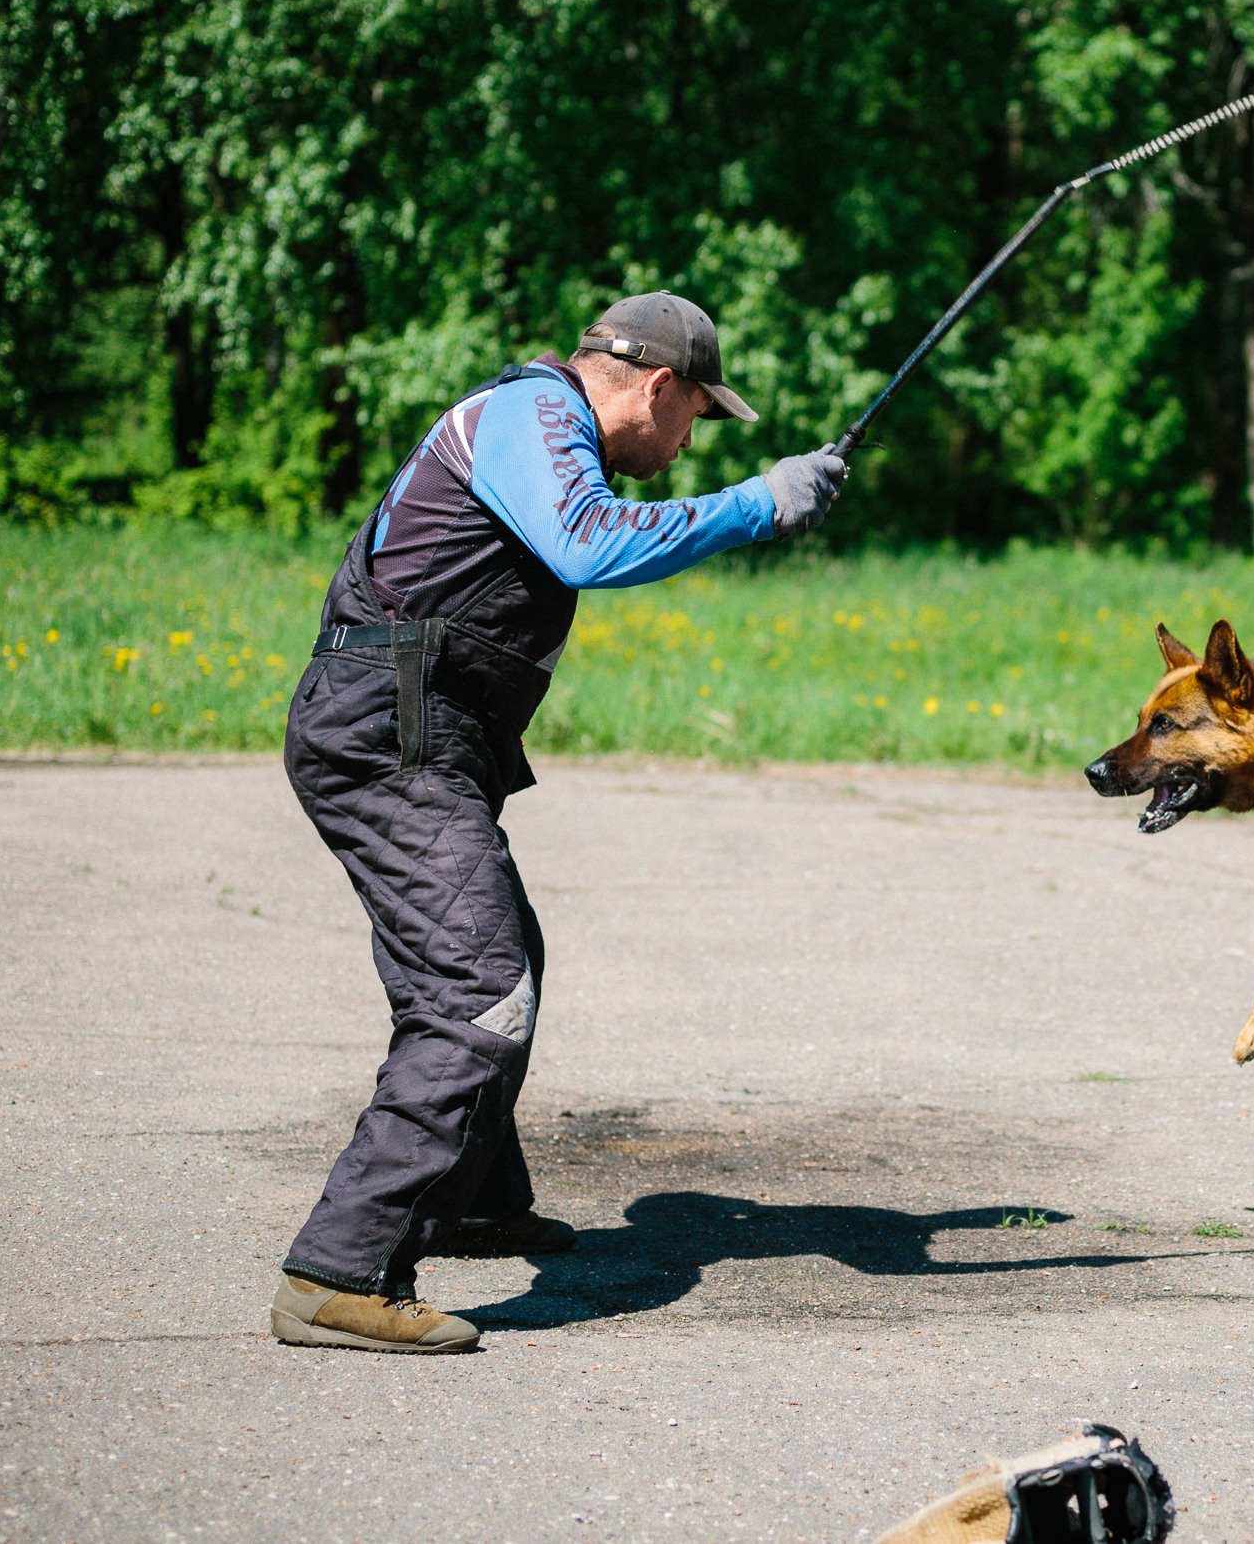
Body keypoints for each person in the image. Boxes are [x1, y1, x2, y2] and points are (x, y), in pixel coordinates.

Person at [269, 292, 850, 1353]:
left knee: (498, 955)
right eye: (695, 420)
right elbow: (586, 543)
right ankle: (338, 1268)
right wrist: (757, 504)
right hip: (389, 726)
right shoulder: (532, 417)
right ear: (658, 388)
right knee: (478, 989)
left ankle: (472, 1200)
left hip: (410, 722)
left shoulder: (540, 423)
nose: (686, 443)